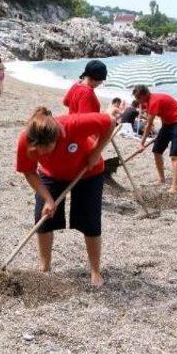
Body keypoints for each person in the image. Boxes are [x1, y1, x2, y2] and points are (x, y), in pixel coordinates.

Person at [16, 107, 116, 287]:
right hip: (51, 175)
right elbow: (30, 172)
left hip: (88, 172)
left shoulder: (74, 125)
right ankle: (44, 266)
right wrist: (48, 199)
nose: (44, 154)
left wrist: (96, 151)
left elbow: (110, 122)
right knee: (43, 218)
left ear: (57, 137)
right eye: (39, 152)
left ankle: (95, 271)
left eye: (47, 150)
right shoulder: (26, 139)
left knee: (90, 222)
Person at [133, 85, 177, 193]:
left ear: (144, 95)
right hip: (167, 124)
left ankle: (174, 187)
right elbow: (164, 112)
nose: (137, 100)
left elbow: (149, 125)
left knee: (174, 155)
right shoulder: (148, 102)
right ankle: (161, 179)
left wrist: (141, 143)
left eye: (138, 98)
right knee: (157, 151)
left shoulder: (154, 101)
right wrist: (164, 130)